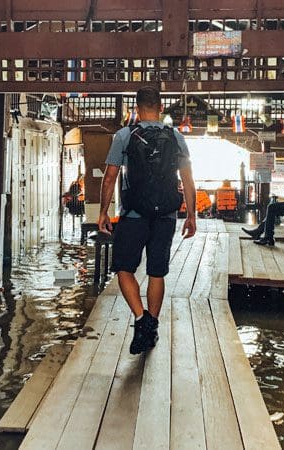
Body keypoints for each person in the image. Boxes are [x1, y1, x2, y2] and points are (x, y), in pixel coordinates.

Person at [98, 86, 196, 355]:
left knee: (123, 269)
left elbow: (110, 177)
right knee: (156, 272)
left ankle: (142, 320)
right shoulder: (175, 137)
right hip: (165, 215)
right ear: (161, 107)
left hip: (133, 215)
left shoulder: (124, 136)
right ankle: (151, 326)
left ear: (137, 109)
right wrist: (191, 215)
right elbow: (187, 180)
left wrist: (103, 211)